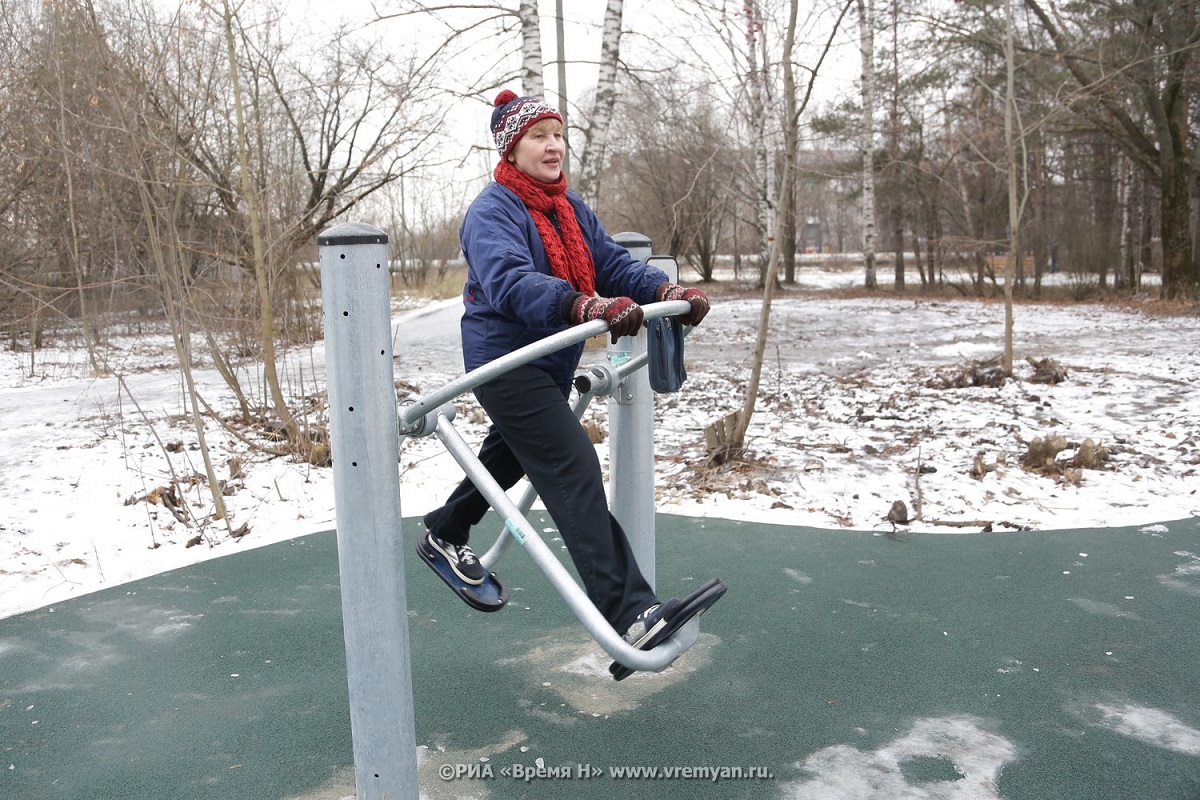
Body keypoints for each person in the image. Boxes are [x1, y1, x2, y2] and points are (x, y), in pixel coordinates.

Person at [421, 90, 713, 647]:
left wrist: (663, 289)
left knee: (508, 456)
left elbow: (611, 263)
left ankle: (445, 528)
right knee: (572, 464)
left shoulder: (569, 208)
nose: (553, 145)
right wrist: (581, 304)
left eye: (558, 134)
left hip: (551, 360)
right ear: (513, 148)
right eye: (539, 136)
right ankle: (630, 613)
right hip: (507, 362)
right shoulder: (493, 211)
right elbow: (509, 281)